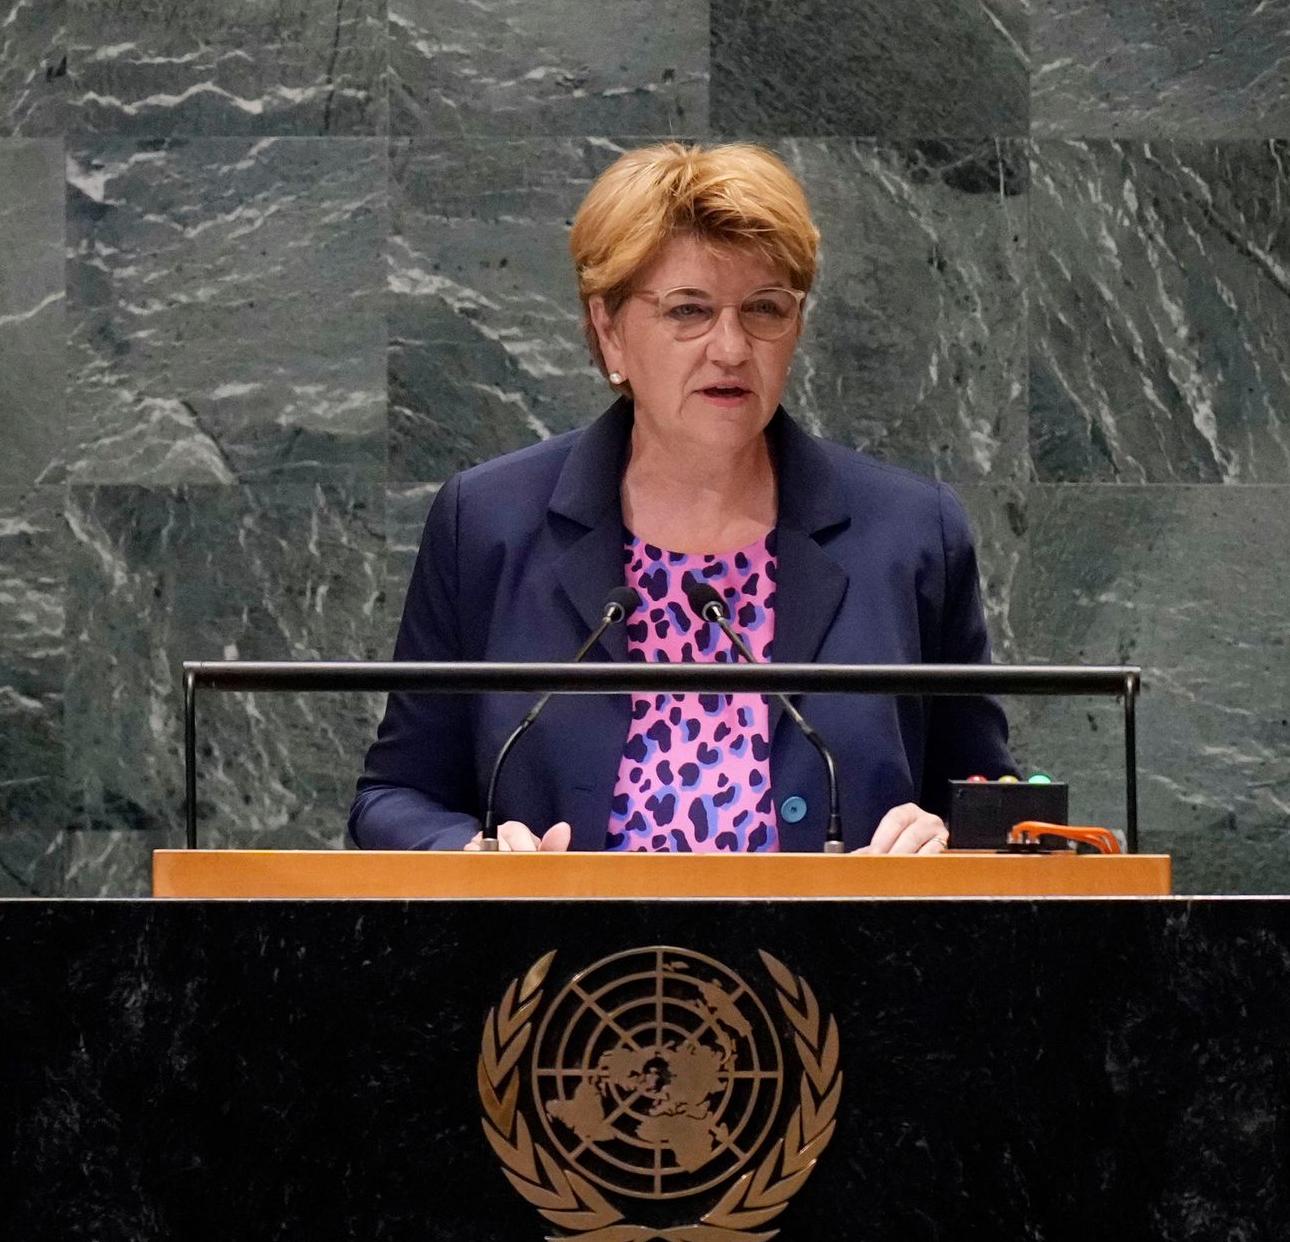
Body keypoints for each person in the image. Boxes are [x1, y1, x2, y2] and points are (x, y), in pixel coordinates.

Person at [350, 142, 1011, 855]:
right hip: (565, 963)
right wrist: (471, 855)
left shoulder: (910, 535)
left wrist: (951, 837)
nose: (730, 347)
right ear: (608, 330)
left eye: (765, 309)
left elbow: (990, 803)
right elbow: (395, 796)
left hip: (834, 963)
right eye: (689, 311)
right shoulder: (488, 523)